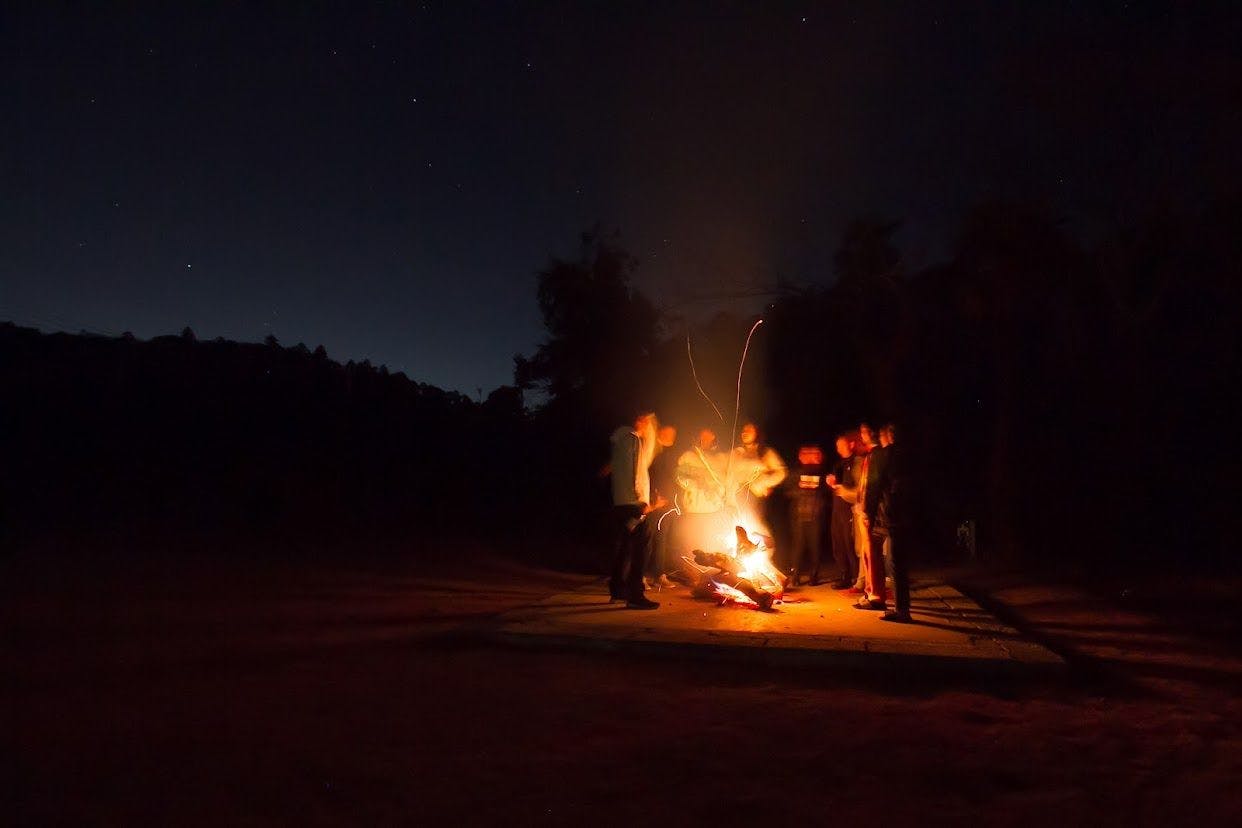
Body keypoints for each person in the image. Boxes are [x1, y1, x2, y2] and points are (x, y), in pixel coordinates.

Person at [608, 410, 662, 609]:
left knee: (622, 549)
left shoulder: (618, 440)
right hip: (633, 503)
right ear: (641, 421)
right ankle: (635, 596)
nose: (651, 427)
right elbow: (636, 471)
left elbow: (618, 470)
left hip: (620, 502)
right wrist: (641, 500)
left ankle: (617, 589)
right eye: (649, 422)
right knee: (640, 550)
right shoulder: (633, 440)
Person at [729, 421, 786, 542]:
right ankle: (742, 553)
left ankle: (760, 553)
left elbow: (781, 472)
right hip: (738, 494)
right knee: (739, 526)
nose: (745, 433)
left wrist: (764, 482)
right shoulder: (737, 452)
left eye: (749, 430)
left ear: (757, 434)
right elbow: (730, 474)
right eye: (743, 430)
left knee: (755, 526)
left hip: (755, 495)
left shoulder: (765, 452)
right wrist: (728, 496)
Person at [876, 423, 911, 622]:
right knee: (894, 561)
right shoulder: (906, 456)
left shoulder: (890, 456)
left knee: (895, 561)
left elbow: (880, 486)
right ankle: (901, 607)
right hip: (901, 515)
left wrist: (877, 512)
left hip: (895, 516)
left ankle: (902, 611)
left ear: (889, 436)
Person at [787, 444, 828, 586]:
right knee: (798, 546)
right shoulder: (796, 472)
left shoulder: (821, 473)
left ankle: (814, 575)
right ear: (800, 456)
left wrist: (819, 501)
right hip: (799, 515)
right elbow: (788, 491)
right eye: (805, 454)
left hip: (815, 516)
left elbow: (826, 493)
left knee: (815, 546)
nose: (809, 457)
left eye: (814, 454)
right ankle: (796, 575)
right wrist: (800, 489)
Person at [645, 424, 680, 589]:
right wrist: (653, 498)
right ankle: (640, 576)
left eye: (674, 434)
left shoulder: (671, 455)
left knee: (661, 541)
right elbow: (648, 475)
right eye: (668, 432)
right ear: (660, 432)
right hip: (653, 504)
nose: (671, 436)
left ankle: (659, 575)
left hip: (668, 506)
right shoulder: (653, 452)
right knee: (647, 540)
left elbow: (673, 478)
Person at [825, 433, 858, 589]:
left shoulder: (856, 462)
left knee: (849, 542)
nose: (839, 448)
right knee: (838, 542)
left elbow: (857, 487)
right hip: (837, 509)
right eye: (837, 446)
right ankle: (844, 575)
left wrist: (845, 489)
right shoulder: (838, 465)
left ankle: (857, 577)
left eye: (842, 444)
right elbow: (835, 483)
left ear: (851, 444)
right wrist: (830, 480)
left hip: (849, 509)